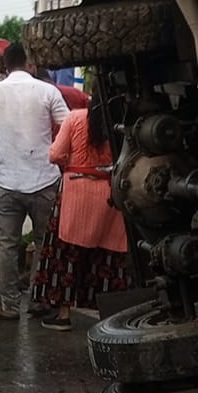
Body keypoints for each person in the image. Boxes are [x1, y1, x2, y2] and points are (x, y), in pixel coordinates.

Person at [0, 38, 68, 322]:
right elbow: (67, 126)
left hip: (6, 179)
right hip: (44, 178)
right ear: (30, 62)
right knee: (45, 243)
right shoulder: (46, 91)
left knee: (6, 246)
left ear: (4, 65)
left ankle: (9, 305)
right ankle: (40, 299)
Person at [37, 91, 129, 330]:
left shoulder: (75, 118)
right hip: (110, 193)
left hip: (74, 192)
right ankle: (107, 315)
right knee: (108, 254)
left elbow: (55, 154)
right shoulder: (122, 126)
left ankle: (63, 314)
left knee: (66, 254)